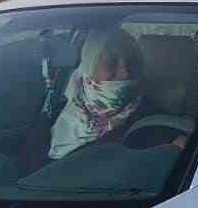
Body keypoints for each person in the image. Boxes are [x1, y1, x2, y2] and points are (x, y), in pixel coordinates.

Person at [48, 27, 147, 159]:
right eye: (111, 63)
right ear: (88, 67)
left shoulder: (147, 121)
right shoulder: (55, 110)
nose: (125, 73)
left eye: (131, 63)